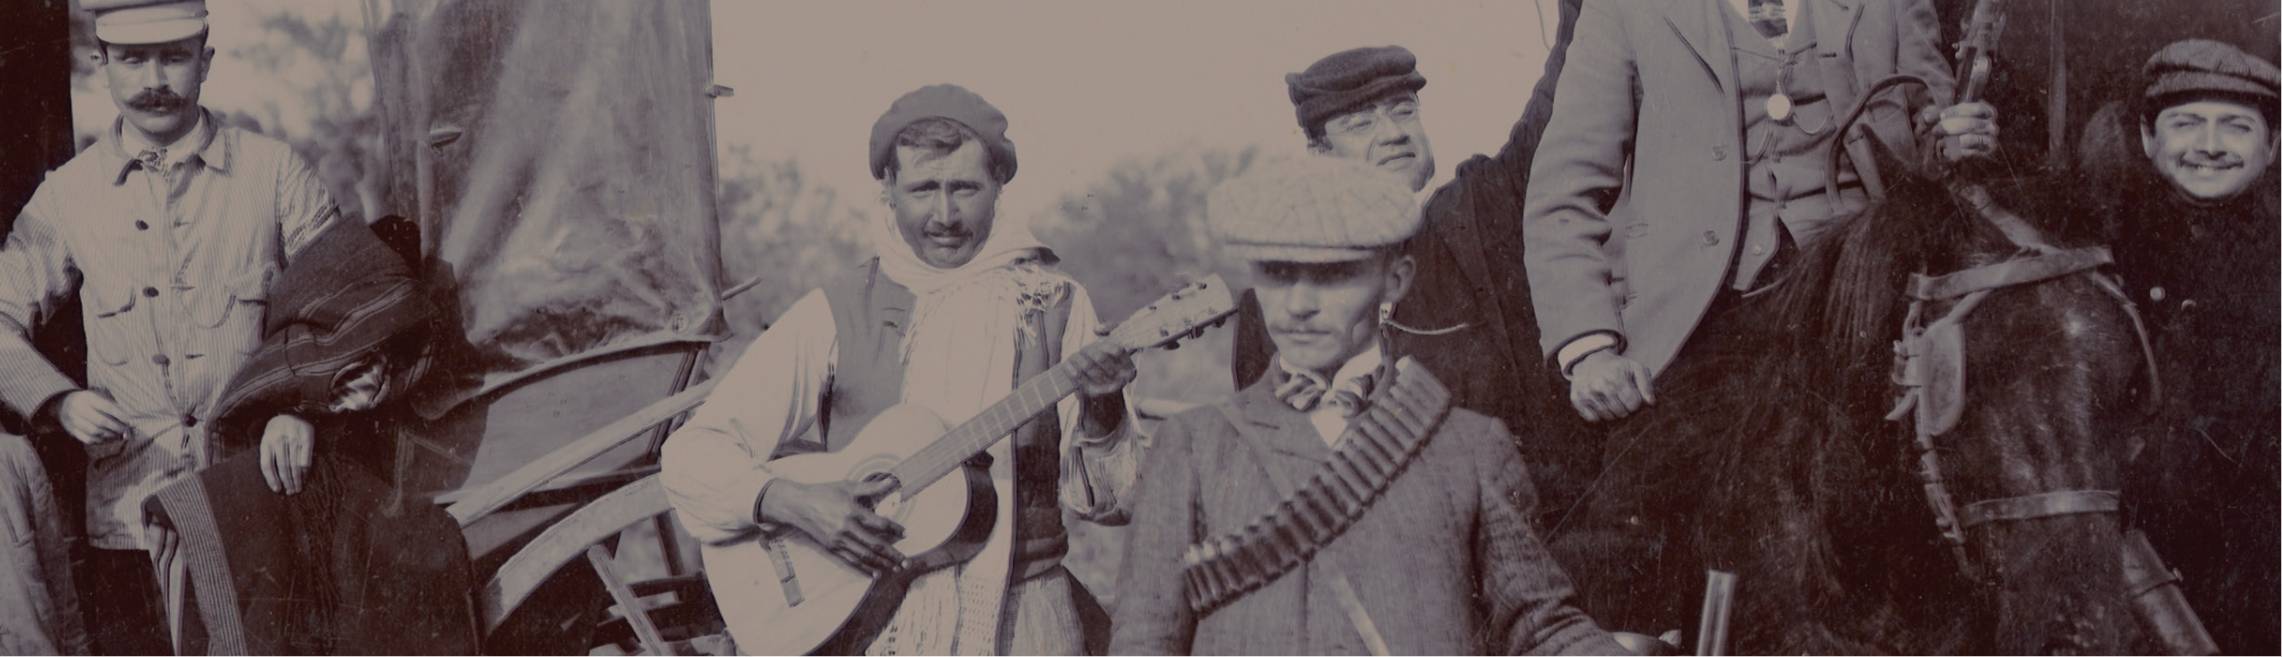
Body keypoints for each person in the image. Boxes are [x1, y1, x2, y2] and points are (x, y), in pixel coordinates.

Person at [1521, 0, 1998, 629]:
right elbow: (1563, 194)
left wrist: (1957, 141)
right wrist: (1590, 351)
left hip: (1867, 309)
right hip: (1705, 324)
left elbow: (1933, 142)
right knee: (1633, 554)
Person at [661, 84, 1144, 655]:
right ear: (888, 190)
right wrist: (791, 501)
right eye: (923, 189)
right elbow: (694, 453)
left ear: (999, 185)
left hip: (1026, 621)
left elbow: (1117, 503)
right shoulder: (839, 310)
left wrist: (1103, 408)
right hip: (873, 624)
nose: (945, 216)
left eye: (965, 188)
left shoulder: (1056, 305)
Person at [1110, 155, 1626, 656]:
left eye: (1333, 275)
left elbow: (1540, 628)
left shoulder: (1469, 447)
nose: (1299, 305)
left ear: (1396, 280)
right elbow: (1144, 641)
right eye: (1277, 273)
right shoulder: (1194, 448)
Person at [0, 0, 345, 652]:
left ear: (205, 61)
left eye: (174, 57)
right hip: (129, 522)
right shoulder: (67, 196)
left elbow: (340, 305)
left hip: (259, 503)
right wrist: (57, 400)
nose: (154, 80)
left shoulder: (276, 173)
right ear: (101, 63)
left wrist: (299, 407)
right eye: (132, 59)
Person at [1230, 35, 1603, 517]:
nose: (1392, 133)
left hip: (1525, 525)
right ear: (1320, 157)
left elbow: (1562, 102)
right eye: (1360, 124)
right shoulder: (1274, 308)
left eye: (1404, 111)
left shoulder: (1478, 214)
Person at [2097, 38, 2279, 656]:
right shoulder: (2101, 250)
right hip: (2133, 555)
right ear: (2147, 139)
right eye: (2186, 123)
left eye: (2237, 126)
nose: (2209, 145)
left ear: (2274, 146)